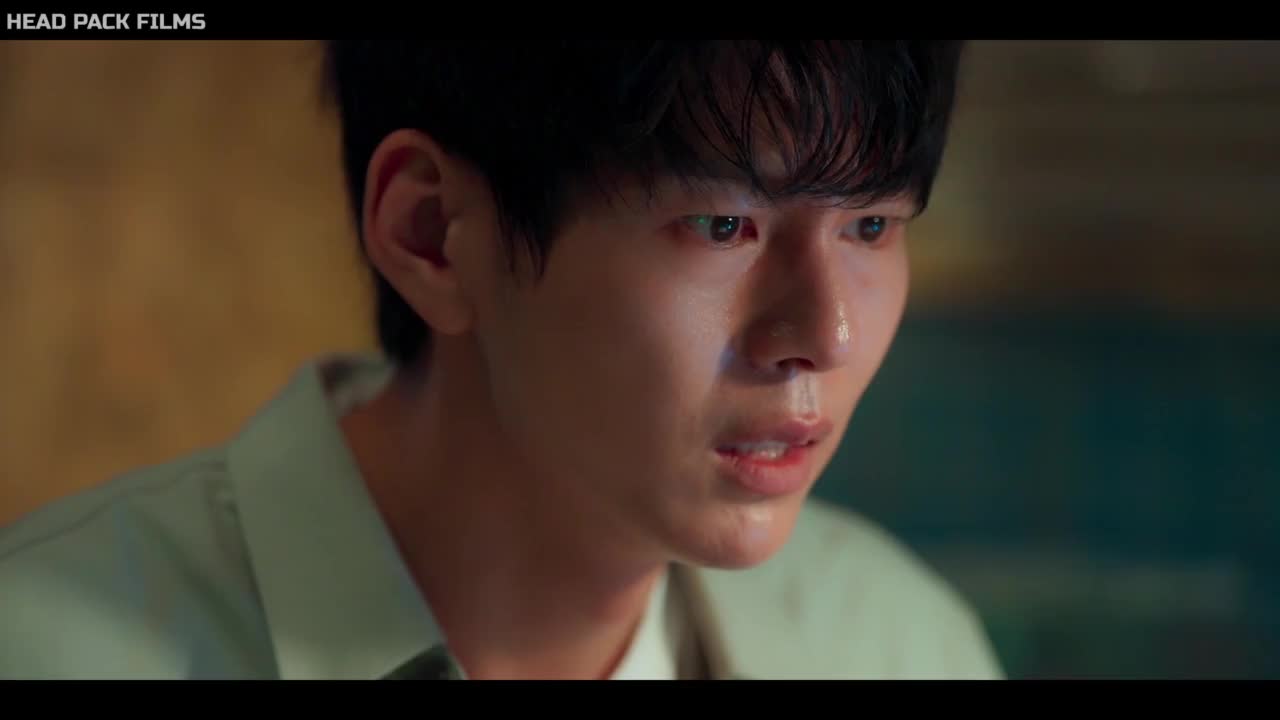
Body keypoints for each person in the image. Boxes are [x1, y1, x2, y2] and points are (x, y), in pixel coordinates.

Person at [0, 40, 1003, 680]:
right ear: (434, 234)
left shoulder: (896, 646)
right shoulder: (47, 645)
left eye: (871, 226)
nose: (826, 333)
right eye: (721, 224)